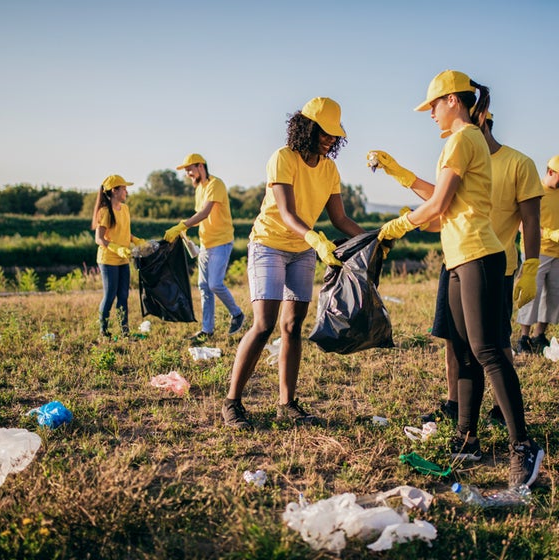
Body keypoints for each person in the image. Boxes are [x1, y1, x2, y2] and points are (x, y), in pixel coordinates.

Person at [370, 69, 544, 487]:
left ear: (452, 99)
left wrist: (397, 227)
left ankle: (523, 446)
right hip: (458, 258)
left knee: (488, 350)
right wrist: (402, 180)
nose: (430, 114)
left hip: (480, 255)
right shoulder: (463, 141)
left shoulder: (462, 138)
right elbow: (443, 212)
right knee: (464, 351)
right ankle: (468, 439)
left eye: (432, 105)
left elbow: (437, 205)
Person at [222, 97, 365, 429]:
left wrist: (372, 240)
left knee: (292, 327)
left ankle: (286, 404)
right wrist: (314, 237)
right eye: (325, 133)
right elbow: (287, 213)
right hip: (269, 244)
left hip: (302, 249)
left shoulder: (329, 168)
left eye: (335, 135)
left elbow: (340, 218)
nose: (331, 139)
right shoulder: (282, 158)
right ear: (308, 128)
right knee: (264, 324)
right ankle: (232, 402)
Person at [421, 112, 543, 425]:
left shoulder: (519, 163)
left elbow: (531, 220)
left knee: (495, 344)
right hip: (456, 261)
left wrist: (531, 265)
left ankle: (504, 411)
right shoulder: (462, 157)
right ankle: (455, 404)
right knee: (454, 340)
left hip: (495, 266)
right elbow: (443, 204)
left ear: (484, 123)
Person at [164, 153, 244, 345]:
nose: (188, 174)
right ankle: (207, 330)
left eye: (190, 169)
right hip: (206, 244)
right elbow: (199, 215)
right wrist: (185, 233)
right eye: (186, 171)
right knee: (203, 287)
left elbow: (205, 212)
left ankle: (237, 314)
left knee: (215, 284)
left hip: (221, 242)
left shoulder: (216, 184)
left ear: (201, 166)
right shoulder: (199, 188)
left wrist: (182, 225)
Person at [93, 174, 144, 339]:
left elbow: (124, 233)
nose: (126, 191)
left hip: (123, 258)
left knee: (123, 295)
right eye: (123, 188)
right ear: (114, 191)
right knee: (110, 295)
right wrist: (116, 248)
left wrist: (136, 240)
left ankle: (124, 332)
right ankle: (104, 331)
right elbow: (99, 238)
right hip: (108, 259)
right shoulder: (105, 212)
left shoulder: (125, 209)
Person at [517, 155, 559, 353]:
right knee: (531, 295)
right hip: (536, 251)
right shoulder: (535, 191)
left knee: (553, 297)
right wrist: (550, 233)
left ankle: (538, 336)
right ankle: (523, 337)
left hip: (558, 254)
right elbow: (521, 224)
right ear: (550, 172)